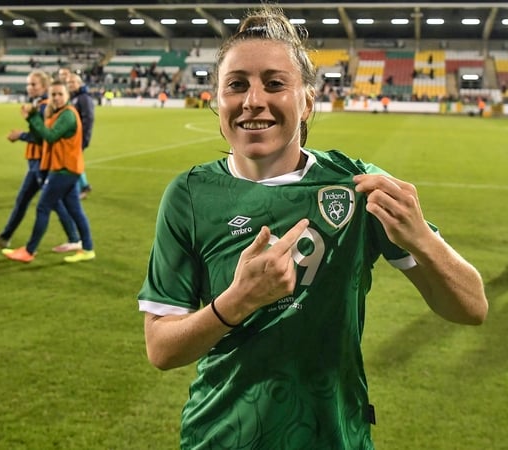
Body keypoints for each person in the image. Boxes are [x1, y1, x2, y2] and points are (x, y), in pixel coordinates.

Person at [137, 6, 488, 449]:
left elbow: (471, 307)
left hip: (334, 435)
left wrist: (420, 237)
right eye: (237, 85)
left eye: (275, 83)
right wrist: (237, 301)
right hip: (221, 435)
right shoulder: (189, 195)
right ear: (216, 101)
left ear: (306, 101)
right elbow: (162, 349)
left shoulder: (358, 187)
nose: (253, 101)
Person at [0, 70, 80, 252]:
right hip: (35, 161)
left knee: (53, 203)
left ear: (44, 86)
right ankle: (5, 237)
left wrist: (21, 135)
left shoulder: (44, 107)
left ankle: (74, 239)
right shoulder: (40, 105)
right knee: (23, 199)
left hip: (41, 162)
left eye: (33, 84)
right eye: (28, 84)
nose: (29, 87)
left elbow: (43, 137)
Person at [3, 80, 95, 264]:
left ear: (67, 96)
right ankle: (87, 249)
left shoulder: (68, 115)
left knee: (43, 207)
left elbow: (50, 136)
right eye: (53, 94)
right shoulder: (59, 113)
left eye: (60, 94)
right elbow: (43, 136)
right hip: (66, 168)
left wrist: (32, 118)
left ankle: (29, 251)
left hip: (64, 170)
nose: (57, 98)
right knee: (75, 210)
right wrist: (31, 121)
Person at [66, 72, 95, 200]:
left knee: (72, 164)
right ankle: (84, 185)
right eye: (68, 82)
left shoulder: (83, 98)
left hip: (78, 138)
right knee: (74, 162)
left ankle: (78, 191)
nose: (70, 85)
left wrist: (84, 138)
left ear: (79, 83)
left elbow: (88, 119)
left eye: (73, 82)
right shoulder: (74, 97)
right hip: (71, 137)